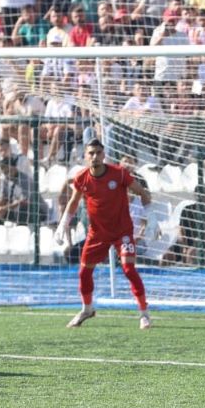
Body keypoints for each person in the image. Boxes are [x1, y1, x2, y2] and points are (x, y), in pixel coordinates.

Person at [56, 140, 153, 329]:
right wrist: (63, 225)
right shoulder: (82, 178)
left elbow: (143, 193)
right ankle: (87, 309)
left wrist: (153, 220)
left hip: (122, 232)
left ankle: (144, 314)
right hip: (97, 234)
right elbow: (74, 202)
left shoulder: (119, 173)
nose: (95, 157)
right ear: (85, 156)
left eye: (98, 153)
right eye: (91, 153)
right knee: (84, 272)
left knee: (129, 270)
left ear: (104, 155)